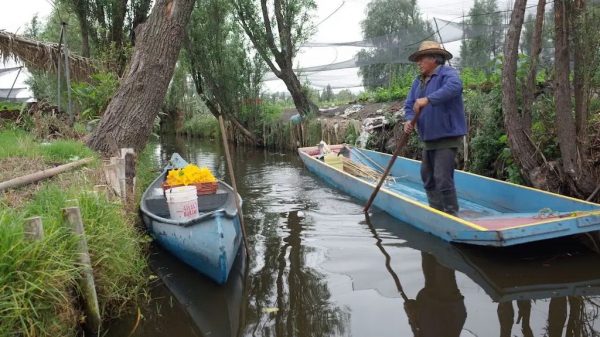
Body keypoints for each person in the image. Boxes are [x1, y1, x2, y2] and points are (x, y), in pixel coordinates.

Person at [403, 41, 467, 216]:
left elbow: (455, 88)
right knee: (427, 177)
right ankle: (437, 212)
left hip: (447, 136)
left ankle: (451, 214)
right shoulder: (418, 82)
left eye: (421, 59)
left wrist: (428, 99)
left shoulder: (448, 74)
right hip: (429, 138)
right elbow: (409, 105)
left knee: (442, 178)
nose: (419, 63)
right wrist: (409, 120)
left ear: (434, 59)